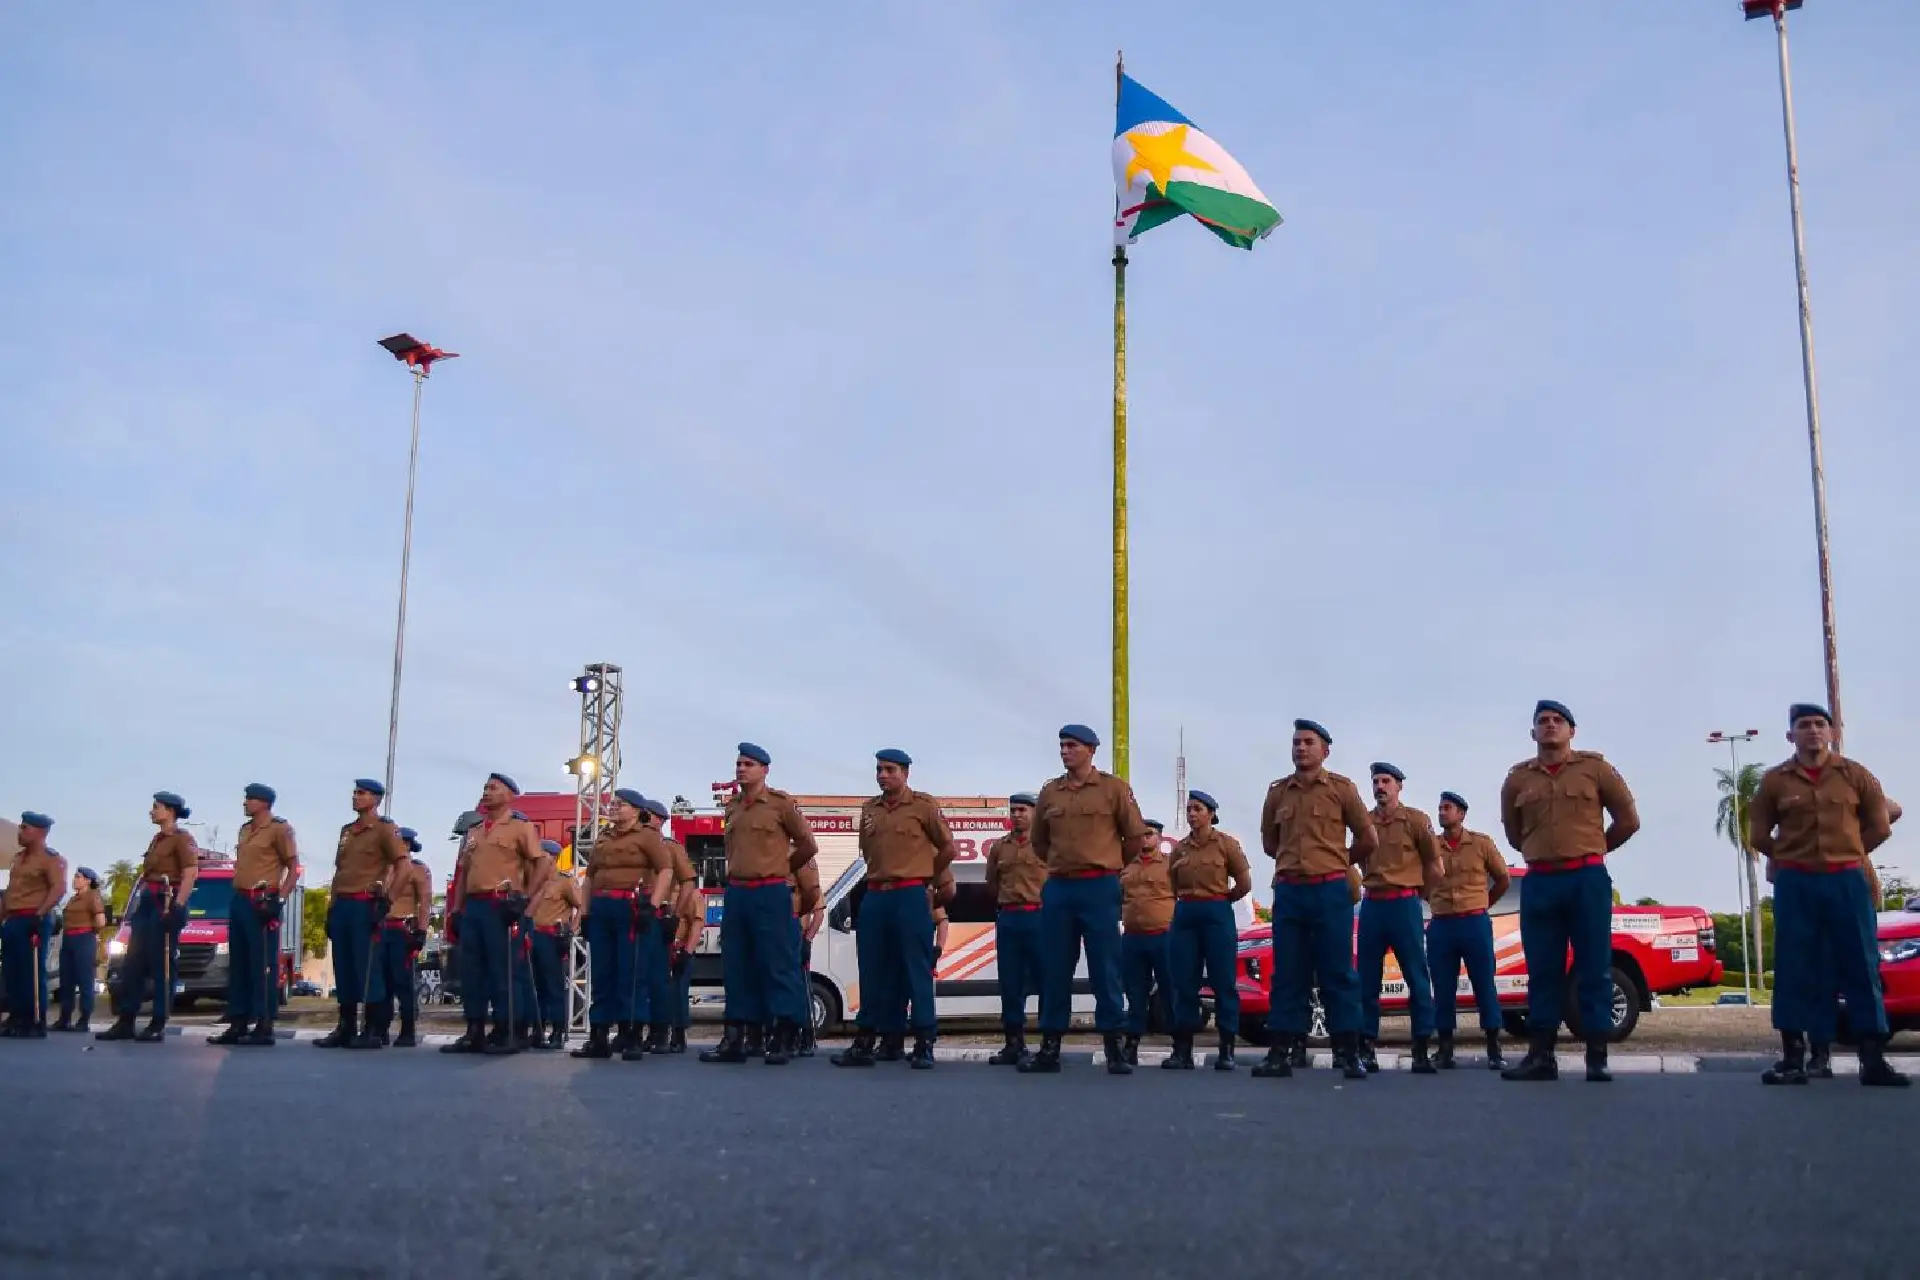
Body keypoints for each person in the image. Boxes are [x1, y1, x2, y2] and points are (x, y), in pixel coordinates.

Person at [1750, 703, 1907, 1087]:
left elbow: (1881, 826)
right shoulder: (1775, 781)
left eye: (1820, 724)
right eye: (1804, 725)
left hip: (1846, 882)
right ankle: (1793, 1058)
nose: (1813, 731)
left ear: (1832, 732)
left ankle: (1873, 1060)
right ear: (1791, 736)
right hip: (1797, 883)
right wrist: (1790, 858)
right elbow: (1757, 836)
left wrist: (1850, 853)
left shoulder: (1855, 775)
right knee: (1792, 968)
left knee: (1861, 966)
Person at [1498, 700, 1640, 1083]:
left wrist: (1592, 848)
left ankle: (1597, 1055)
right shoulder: (1518, 779)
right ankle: (1541, 1055)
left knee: (1594, 965)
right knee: (1543, 970)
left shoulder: (1595, 769)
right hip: (1541, 881)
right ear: (1533, 733)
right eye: (1542, 721)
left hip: (1586, 880)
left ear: (1571, 731)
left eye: (1557, 720)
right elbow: (1514, 833)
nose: (1549, 726)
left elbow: (1628, 820)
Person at [1022, 723, 1151, 1076]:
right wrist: (1065, 866)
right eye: (1062, 745)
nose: (1065, 751)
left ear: (1091, 750)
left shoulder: (1112, 789)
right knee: (1055, 969)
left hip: (1100, 886)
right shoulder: (1050, 792)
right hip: (1061, 887)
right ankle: (1050, 1047)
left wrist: (1108, 866)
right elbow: (1039, 842)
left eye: (1072, 746)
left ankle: (1114, 1046)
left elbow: (1135, 838)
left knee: (1105, 968)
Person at [1254, 720, 1376, 1080]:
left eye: (1308, 742)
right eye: (1296, 742)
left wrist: (1338, 862)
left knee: (1338, 971)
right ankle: (1281, 1051)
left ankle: (1347, 1051)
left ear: (1325, 750)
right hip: (1291, 890)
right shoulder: (1278, 792)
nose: (1300, 748)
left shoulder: (1341, 789)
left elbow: (1368, 838)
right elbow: (1269, 843)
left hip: (1330, 890)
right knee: (1287, 973)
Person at [834, 749, 954, 1070]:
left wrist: (928, 877)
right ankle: (871, 1039)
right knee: (872, 971)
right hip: (875, 895)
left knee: (916, 969)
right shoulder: (869, 810)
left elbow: (947, 847)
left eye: (890, 770)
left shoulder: (923, 807)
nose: (883, 775)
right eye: (879, 769)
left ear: (905, 773)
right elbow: (867, 854)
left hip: (910, 895)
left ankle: (925, 1040)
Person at [701, 743, 819, 1066]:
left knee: (778, 963)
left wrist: (782, 866)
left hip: (770, 891)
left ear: (765, 769)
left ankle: (783, 1034)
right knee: (736, 964)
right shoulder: (732, 807)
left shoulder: (780, 805)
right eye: (738, 763)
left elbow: (808, 844)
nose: (741, 769)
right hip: (738, 892)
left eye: (749, 764)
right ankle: (736, 1036)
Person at [443, 774, 550, 1055]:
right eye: (485, 788)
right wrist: (456, 908)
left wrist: (524, 898)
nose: (486, 792)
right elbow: (466, 872)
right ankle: (474, 1029)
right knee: (472, 970)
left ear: (509, 796)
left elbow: (541, 863)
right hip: (474, 906)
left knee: (503, 970)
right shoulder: (474, 830)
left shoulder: (520, 827)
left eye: (493, 788)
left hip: (501, 905)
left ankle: (508, 1029)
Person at [1357, 763, 1444, 1074]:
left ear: (1399, 786)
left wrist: (1421, 897)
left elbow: (1435, 866)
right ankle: (1365, 1045)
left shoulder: (1417, 821)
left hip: (1405, 904)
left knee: (1417, 977)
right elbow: (1357, 862)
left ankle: (1421, 1046)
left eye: (1386, 781)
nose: (1380, 786)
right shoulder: (1364, 822)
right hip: (1373, 906)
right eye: (1376, 781)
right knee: (1366, 979)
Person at [572, 788, 671, 1061]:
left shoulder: (647, 837)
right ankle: (599, 1036)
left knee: (632, 972)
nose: (614, 807)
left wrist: (653, 905)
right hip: (602, 907)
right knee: (602, 973)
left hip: (630, 906)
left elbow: (665, 869)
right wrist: (586, 912)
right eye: (613, 803)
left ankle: (632, 1034)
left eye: (621, 804)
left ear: (637, 810)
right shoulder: (603, 837)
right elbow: (589, 876)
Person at [1163, 790, 1253, 1072]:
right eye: (1189, 809)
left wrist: (1224, 899)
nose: (1191, 814)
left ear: (1211, 813)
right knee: (1184, 983)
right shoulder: (1180, 849)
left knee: (1223, 981)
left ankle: (1226, 1050)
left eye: (1197, 809)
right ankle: (1182, 1050)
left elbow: (1244, 882)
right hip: (1187, 913)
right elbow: (1171, 883)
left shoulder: (1226, 844)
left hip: (1217, 911)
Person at [99, 792, 199, 1042]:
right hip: (147, 902)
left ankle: (157, 1022)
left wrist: (178, 906)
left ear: (171, 811)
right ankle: (126, 1020)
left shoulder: (182, 838)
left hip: (165, 903)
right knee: (132, 963)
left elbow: (190, 873)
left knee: (161, 965)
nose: (152, 811)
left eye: (157, 807)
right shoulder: (157, 839)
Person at [317, 779, 407, 1051]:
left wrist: (387, 900)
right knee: (343, 967)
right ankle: (345, 1026)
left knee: (367, 967)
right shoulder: (347, 832)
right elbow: (339, 871)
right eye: (355, 792)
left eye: (362, 793)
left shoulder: (384, 829)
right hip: (343, 903)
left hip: (364, 903)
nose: (355, 797)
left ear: (376, 799)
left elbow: (403, 866)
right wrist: (331, 907)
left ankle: (374, 1027)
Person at [210, 783, 300, 1048]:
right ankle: (238, 1022)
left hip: (262, 901)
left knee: (262, 964)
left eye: (250, 799)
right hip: (239, 899)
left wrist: (280, 898)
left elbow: (293, 868)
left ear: (264, 803)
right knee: (238, 964)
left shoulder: (279, 829)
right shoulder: (245, 830)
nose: (245, 803)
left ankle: (264, 1023)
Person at [1426, 791, 1511, 1069]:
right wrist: (1433, 900)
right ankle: (1445, 1047)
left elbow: (1502, 878)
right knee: (1443, 987)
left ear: (1462, 813)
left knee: (1484, 984)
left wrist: (1483, 904)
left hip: (1474, 922)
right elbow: (1419, 882)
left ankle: (1493, 1047)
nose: (1442, 813)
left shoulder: (1481, 844)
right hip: (1442, 924)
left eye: (1447, 808)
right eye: (1440, 808)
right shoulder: (1430, 846)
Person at [983, 792, 1046, 1065]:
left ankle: (1048, 1044)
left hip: (1040, 918)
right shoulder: (999, 848)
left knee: (1046, 982)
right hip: (1009, 918)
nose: (1017, 815)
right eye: (1013, 810)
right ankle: (1013, 1043)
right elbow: (992, 883)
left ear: (1034, 813)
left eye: (1022, 810)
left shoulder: (1047, 845)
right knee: (1010, 983)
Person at [369, 827, 434, 1048]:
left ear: (408, 845)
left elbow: (425, 901)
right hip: (380, 928)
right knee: (380, 982)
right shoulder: (382, 869)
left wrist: (422, 931)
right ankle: (381, 1028)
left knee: (403, 982)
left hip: (403, 929)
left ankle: (407, 1029)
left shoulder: (417, 870)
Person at [2, 812, 64, 1038]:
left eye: (25, 828)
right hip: (13, 918)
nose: (20, 832)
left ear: (40, 832)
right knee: (11, 971)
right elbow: (10, 892)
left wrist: (40, 915)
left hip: (33, 917)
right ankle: (16, 1016)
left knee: (31, 971)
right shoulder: (18, 858)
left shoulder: (50, 858)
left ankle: (34, 1019)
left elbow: (58, 889)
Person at [1118, 818, 1174, 1067]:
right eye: (1141, 835)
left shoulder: (1171, 867)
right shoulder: (1126, 867)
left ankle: (1180, 1045)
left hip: (1164, 938)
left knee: (1171, 993)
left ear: (1159, 838)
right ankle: (1131, 1046)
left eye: (1149, 834)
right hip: (1133, 939)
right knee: (1135, 995)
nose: (1145, 839)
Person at [641, 796, 693, 1053]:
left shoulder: (670, 847)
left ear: (659, 820)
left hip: (658, 915)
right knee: (635, 977)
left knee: (658, 978)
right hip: (634, 912)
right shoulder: (633, 844)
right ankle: (635, 1030)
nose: (642, 818)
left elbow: (688, 883)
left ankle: (660, 1032)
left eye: (647, 814)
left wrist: (675, 915)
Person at [524, 839, 580, 1051]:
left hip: (551, 936)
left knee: (554, 986)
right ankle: (537, 1030)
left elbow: (582, 907)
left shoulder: (564, 882)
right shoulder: (532, 883)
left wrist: (571, 931)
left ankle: (557, 1031)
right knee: (534, 985)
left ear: (552, 858)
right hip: (532, 935)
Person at [53, 866, 107, 1033]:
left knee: (85, 981)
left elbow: (101, 921)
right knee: (66, 980)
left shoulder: (92, 896)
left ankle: (83, 1020)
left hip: (84, 938)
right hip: (69, 939)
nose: (74, 879)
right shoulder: (73, 899)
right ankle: (65, 1018)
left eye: (78, 877)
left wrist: (92, 933)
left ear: (87, 880)